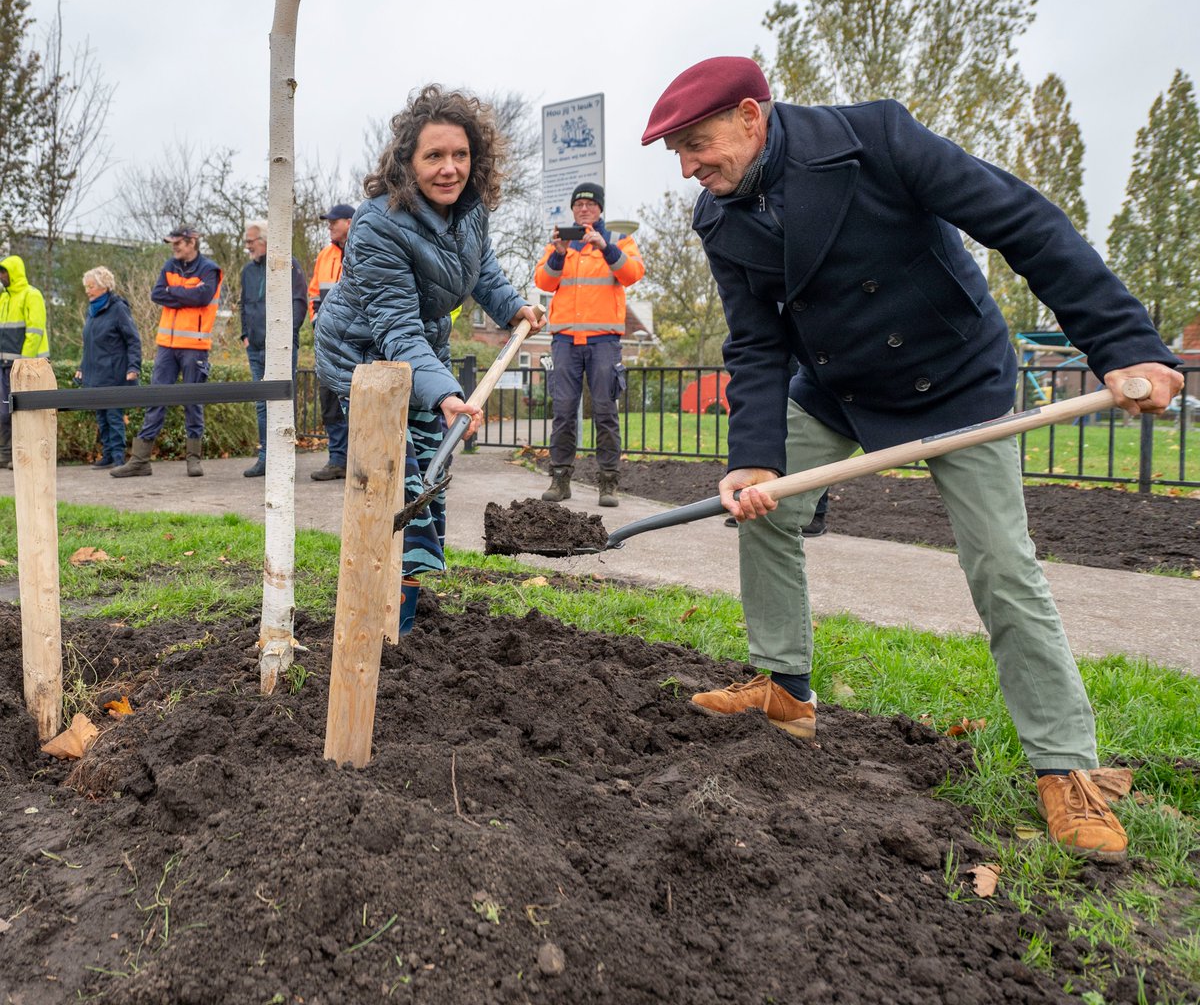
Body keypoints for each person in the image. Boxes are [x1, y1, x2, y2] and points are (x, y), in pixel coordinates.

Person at [641, 55, 1183, 863]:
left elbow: (1025, 224)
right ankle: (783, 686)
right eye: (677, 152)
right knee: (763, 509)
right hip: (836, 386)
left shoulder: (878, 138)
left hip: (955, 379)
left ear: (751, 116)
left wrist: (1124, 343)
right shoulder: (720, 218)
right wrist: (755, 458)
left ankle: (1066, 766)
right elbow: (756, 343)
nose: (688, 167)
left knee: (1002, 565)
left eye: (696, 144)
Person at [315, 84, 543, 634]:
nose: (449, 168)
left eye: (460, 154)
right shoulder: (377, 223)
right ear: (407, 163)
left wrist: (513, 308)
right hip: (366, 360)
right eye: (434, 155)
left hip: (421, 356)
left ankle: (403, 623)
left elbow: (481, 269)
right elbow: (395, 328)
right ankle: (374, 625)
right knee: (399, 488)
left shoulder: (470, 211)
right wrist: (445, 395)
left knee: (429, 486)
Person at [534, 182, 645, 507]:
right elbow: (543, 282)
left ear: (600, 209)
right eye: (578, 204)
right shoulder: (560, 242)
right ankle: (560, 480)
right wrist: (558, 253)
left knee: (605, 412)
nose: (584, 209)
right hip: (565, 340)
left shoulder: (618, 239)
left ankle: (608, 483)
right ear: (572, 209)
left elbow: (633, 273)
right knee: (563, 413)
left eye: (590, 204)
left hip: (604, 341)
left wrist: (605, 247)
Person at [112, 226, 223, 478]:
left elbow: (203, 297)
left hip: (195, 347)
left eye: (178, 243)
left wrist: (173, 292)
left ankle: (193, 460)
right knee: (156, 398)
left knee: (192, 402)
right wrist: (185, 295)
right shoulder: (169, 266)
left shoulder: (210, 269)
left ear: (192, 242)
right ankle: (140, 460)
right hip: (166, 346)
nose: (174, 248)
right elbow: (157, 294)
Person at [239, 217, 309, 478]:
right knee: (261, 403)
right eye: (246, 241)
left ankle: (283, 458)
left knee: (282, 402)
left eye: (251, 241)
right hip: (255, 347)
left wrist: (284, 336)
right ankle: (265, 458)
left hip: (281, 348)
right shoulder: (247, 271)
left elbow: (299, 302)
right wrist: (245, 335)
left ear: (266, 241)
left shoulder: (288, 264)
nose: (248, 246)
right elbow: (244, 304)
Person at [74, 266, 142, 468]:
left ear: (104, 286)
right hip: (96, 374)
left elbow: (133, 340)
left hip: (114, 373)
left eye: (91, 286)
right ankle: (108, 455)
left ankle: (118, 457)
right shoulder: (91, 311)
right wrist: (82, 368)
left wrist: (133, 367)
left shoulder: (118, 308)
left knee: (114, 416)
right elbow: (90, 345)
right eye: (86, 286)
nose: (87, 290)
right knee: (101, 417)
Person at [307, 203, 354, 480]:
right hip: (329, 341)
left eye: (333, 222)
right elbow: (314, 293)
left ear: (349, 222)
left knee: (356, 402)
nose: (329, 226)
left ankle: (359, 462)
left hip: (357, 341)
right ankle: (337, 460)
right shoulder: (325, 255)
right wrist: (316, 320)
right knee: (330, 401)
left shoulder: (366, 247)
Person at [0, 255, 49, 471]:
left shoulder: (32, 295)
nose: (1, 276)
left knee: (23, 412)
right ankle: (5, 454)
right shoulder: (3, 298)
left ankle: (24, 454)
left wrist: (23, 364)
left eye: (4, 271)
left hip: (25, 367)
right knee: (3, 411)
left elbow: (34, 333)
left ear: (14, 272)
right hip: (4, 365)